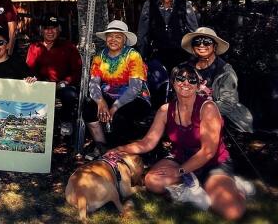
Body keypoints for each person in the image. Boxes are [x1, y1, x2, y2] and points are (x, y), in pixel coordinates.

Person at [109, 64, 246, 220]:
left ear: (198, 85)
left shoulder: (208, 108)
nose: (186, 83)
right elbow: (147, 143)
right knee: (152, 181)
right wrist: (120, 149)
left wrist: (179, 171)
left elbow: (208, 152)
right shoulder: (165, 110)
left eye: (192, 79)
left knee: (232, 212)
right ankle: (192, 189)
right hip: (180, 157)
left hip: (212, 163)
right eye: (180, 78)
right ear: (173, 83)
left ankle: (235, 188)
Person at [84, 20, 151, 160]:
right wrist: (100, 101)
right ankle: (101, 146)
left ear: (124, 39)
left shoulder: (133, 56)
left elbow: (134, 88)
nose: (113, 39)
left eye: (118, 36)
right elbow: (94, 83)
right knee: (88, 106)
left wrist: (114, 107)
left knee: (119, 115)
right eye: (110, 36)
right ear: (106, 38)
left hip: (134, 97)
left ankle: (118, 151)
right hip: (108, 94)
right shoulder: (99, 57)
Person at [181, 27, 254, 133]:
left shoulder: (225, 71)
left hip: (225, 120)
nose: (201, 45)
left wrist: (197, 111)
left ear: (214, 46)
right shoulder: (185, 68)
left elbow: (227, 104)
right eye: (197, 42)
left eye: (207, 41)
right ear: (193, 47)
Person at [26, 14, 82, 130]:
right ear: (41, 30)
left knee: (70, 95)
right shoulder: (34, 47)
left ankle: (65, 122)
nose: (50, 31)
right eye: (46, 28)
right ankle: (35, 126)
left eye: (54, 28)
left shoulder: (68, 47)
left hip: (62, 86)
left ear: (59, 29)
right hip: (41, 85)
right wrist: (34, 79)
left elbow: (77, 71)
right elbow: (29, 69)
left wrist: (65, 82)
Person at [136, 0, 199, 73]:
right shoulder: (149, 5)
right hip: (156, 58)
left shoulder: (184, 5)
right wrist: (141, 58)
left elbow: (193, 33)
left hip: (181, 58)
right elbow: (142, 34)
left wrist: (194, 58)